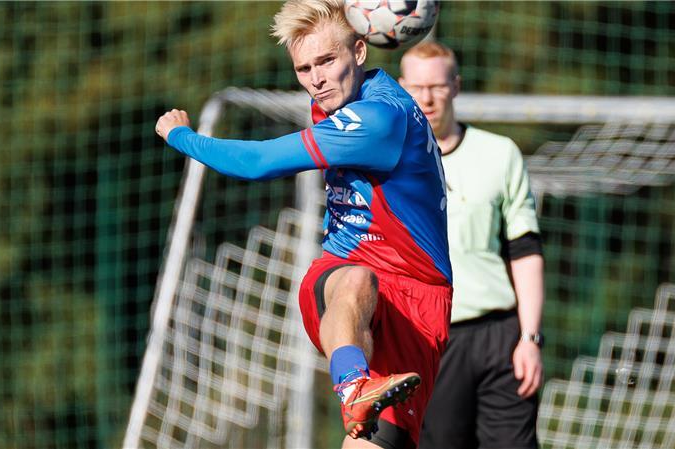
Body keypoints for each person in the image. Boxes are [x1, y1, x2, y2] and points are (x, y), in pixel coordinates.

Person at [154, 1, 452, 448]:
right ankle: (353, 383)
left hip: (418, 299)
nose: (316, 79)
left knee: (372, 443)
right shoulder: (341, 102)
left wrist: (181, 135)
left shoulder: (379, 119)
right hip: (343, 273)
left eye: (327, 61)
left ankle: (359, 398)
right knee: (356, 279)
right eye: (303, 67)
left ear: (360, 50)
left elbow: (257, 162)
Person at [398, 42, 545, 449]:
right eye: (416, 87)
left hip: (502, 338)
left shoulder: (500, 154)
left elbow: (526, 251)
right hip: (432, 341)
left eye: (438, 86)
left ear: (456, 87)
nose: (426, 98)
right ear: (401, 87)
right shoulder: (387, 165)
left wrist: (530, 339)